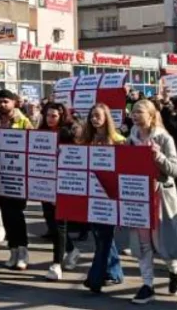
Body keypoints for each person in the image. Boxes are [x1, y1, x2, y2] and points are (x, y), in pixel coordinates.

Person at [127, 99, 177, 304]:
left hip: (161, 197)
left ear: (151, 115)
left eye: (139, 112)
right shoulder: (132, 137)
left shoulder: (164, 138)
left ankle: (175, 270)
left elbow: (175, 171)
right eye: (133, 112)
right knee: (143, 244)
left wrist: (158, 156)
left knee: (163, 243)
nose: (134, 116)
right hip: (139, 196)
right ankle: (147, 285)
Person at [79, 103, 127, 295]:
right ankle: (115, 273)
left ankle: (95, 277)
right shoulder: (86, 140)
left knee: (104, 237)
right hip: (92, 195)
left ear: (106, 117)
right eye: (91, 116)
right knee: (100, 236)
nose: (94, 119)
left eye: (97, 115)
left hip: (110, 197)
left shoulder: (119, 141)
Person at [0, 89, 33, 271]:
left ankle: (23, 251)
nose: (2, 105)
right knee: (7, 215)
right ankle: (13, 250)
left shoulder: (24, 121)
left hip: (18, 176)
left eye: (5, 101)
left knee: (17, 215)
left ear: (14, 103)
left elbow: (33, 146)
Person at [37, 102, 77, 281]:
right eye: (47, 115)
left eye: (54, 116)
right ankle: (71, 250)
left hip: (62, 183)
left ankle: (56, 264)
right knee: (51, 223)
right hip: (44, 183)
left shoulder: (67, 134)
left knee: (59, 224)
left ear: (61, 116)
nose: (50, 119)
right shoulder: (40, 133)